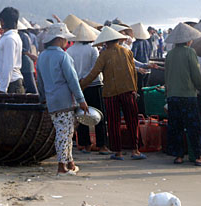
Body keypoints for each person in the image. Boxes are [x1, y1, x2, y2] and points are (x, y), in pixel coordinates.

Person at [80, 26, 146, 161]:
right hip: (128, 90)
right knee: (132, 120)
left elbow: (94, 73)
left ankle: (118, 152)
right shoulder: (126, 52)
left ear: (105, 42)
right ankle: (135, 150)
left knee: (113, 122)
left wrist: (80, 86)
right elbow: (133, 72)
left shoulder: (104, 55)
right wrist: (135, 90)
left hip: (110, 93)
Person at [37, 23, 88, 176]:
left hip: (52, 100)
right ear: (59, 39)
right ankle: (61, 164)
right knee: (64, 133)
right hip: (64, 100)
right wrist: (81, 100)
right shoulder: (63, 56)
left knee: (65, 131)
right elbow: (72, 80)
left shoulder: (42, 56)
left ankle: (70, 162)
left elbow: (39, 80)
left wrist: (43, 98)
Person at [164, 22, 201, 166]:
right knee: (193, 127)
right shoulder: (190, 53)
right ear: (188, 40)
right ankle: (199, 156)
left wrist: (167, 94)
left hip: (172, 96)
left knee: (176, 126)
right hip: (187, 96)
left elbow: (167, 76)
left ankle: (178, 156)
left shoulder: (170, 55)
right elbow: (196, 75)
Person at [66, 23, 111, 155]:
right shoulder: (92, 49)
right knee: (99, 115)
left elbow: (71, 71)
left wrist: (80, 81)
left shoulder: (70, 51)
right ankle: (102, 145)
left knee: (82, 115)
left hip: (79, 86)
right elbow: (95, 69)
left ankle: (86, 145)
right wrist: (86, 79)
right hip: (94, 84)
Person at [0, 7, 24, 93]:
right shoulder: (12, 36)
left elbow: (8, 65)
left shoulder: (9, 38)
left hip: (11, 83)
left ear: (2, 21)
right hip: (10, 82)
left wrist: (3, 88)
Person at [131, 22, 152, 115]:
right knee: (145, 91)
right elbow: (149, 54)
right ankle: (146, 111)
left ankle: (140, 111)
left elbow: (132, 57)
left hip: (139, 70)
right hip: (147, 69)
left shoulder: (135, 44)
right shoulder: (147, 42)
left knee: (139, 91)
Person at [18, 21, 38, 94]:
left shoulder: (22, 36)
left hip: (25, 62)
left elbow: (25, 50)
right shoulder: (25, 35)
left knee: (30, 84)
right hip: (24, 61)